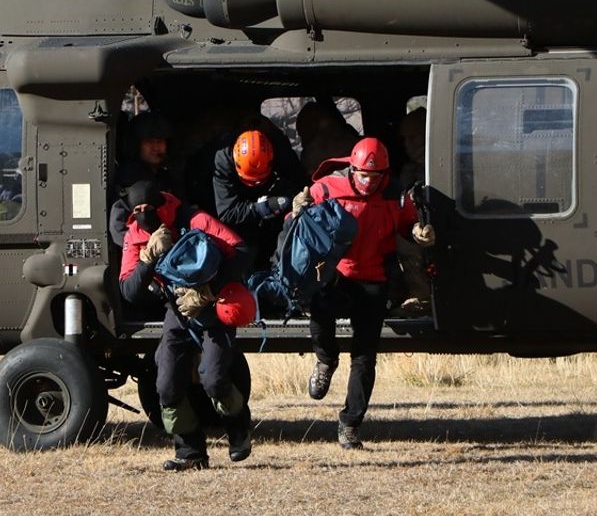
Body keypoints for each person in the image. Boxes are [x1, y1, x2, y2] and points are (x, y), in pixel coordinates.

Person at [293, 136, 435, 449]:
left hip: (374, 279)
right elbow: (297, 219)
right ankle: (326, 360)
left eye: (376, 176)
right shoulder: (328, 188)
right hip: (337, 274)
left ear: (385, 174)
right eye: (363, 175)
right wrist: (297, 209)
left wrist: (417, 233)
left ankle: (350, 425)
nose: (369, 182)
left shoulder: (395, 194)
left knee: (365, 357)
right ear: (352, 168)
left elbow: (408, 223)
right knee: (318, 307)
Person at [118, 181, 254, 471]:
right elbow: (129, 290)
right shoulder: (135, 234)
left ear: (161, 204)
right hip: (176, 312)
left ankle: (239, 430)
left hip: (214, 305)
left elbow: (241, 251)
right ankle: (190, 452)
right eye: (138, 210)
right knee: (166, 386)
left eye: (149, 208)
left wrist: (206, 291)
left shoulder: (192, 219)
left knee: (214, 380)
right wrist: (148, 259)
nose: (144, 214)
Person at [213, 129, 306, 268]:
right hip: (238, 204)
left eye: (258, 179)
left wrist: (291, 198)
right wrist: (261, 208)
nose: (254, 183)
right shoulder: (223, 161)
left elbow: (300, 182)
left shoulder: (280, 151)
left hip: (272, 190)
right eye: (251, 180)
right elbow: (226, 213)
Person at [109, 111, 175, 248]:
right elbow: (118, 226)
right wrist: (143, 249)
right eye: (149, 142)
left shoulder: (165, 175)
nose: (156, 147)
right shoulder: (129, 177)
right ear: (136, 144)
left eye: (160, 141)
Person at [393, 107, 431, 315]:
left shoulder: (440, 164)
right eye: (405, 140)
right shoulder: (408, 170)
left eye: (415, 137)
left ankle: (423, 298)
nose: (409, 145)